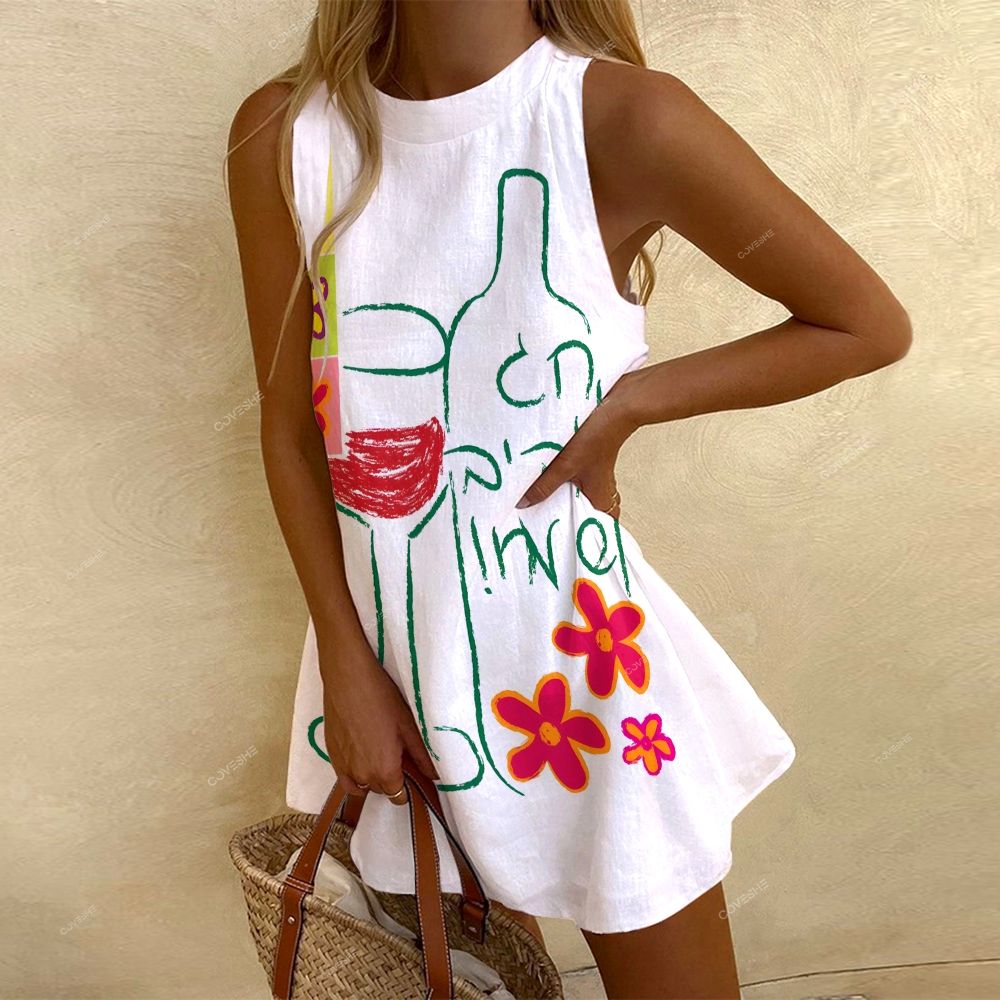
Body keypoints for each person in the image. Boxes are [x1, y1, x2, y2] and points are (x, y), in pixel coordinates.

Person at [225, 2, 911, 997]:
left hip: (583, 674)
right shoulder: (287, 134)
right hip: (393, 669)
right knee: (489, 978)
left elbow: (864, 324)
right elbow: (290, 428)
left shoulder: (621, 119)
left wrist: (629, 405)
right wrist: (345, 658)